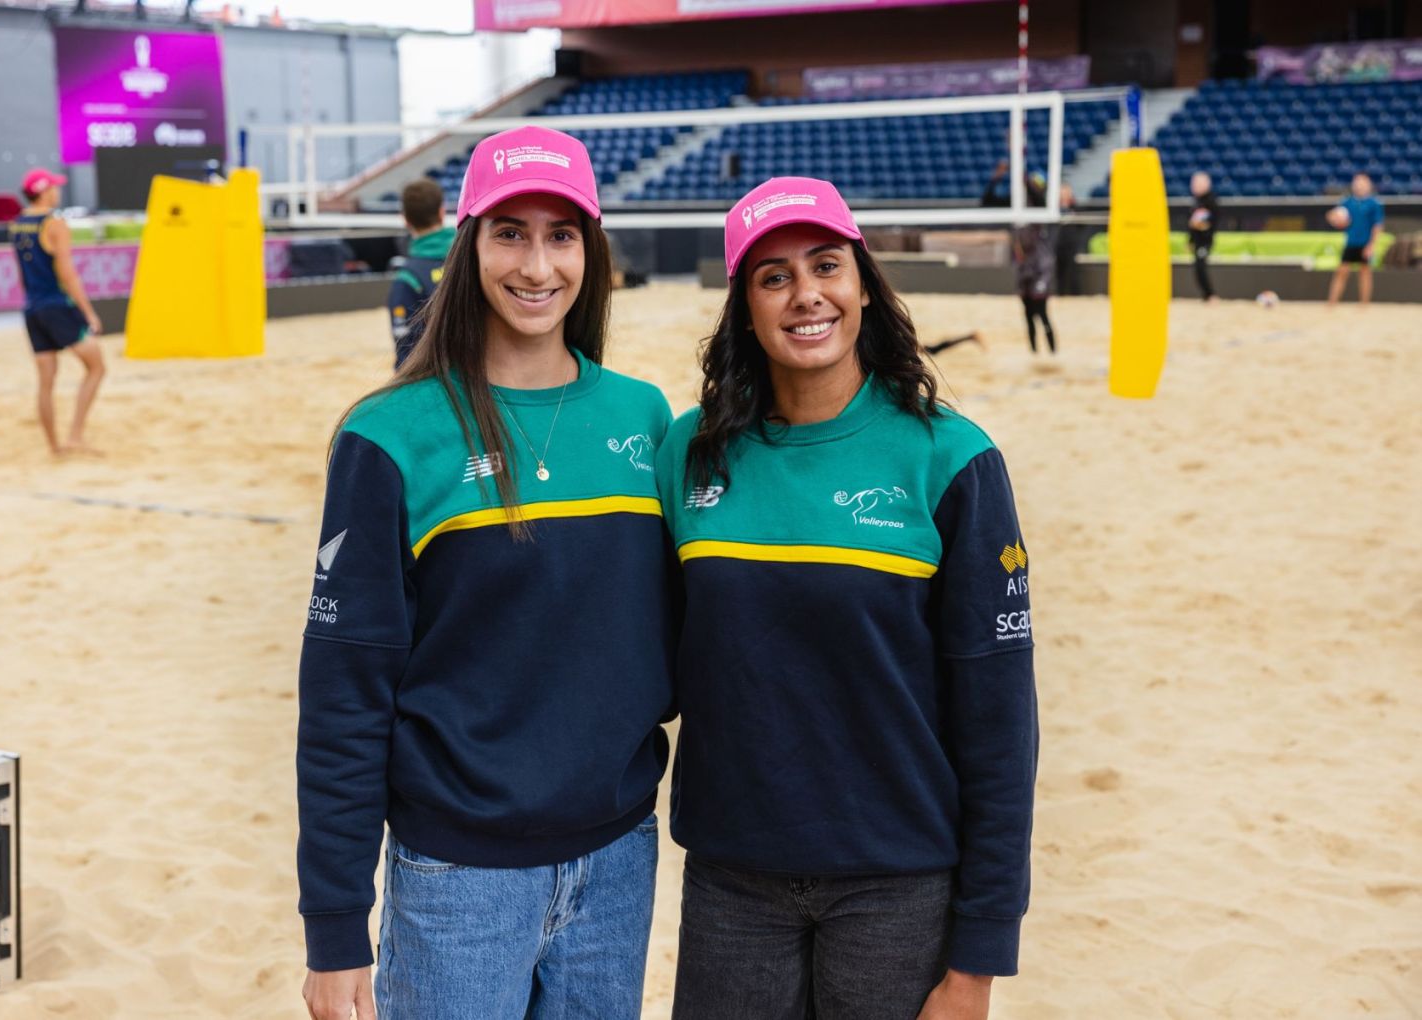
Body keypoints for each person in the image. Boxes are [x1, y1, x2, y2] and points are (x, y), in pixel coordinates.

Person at [298, 125, 675, 1020]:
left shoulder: (647, 417)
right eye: (509, 232)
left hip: (620, 859)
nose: (537, 264)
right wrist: (336, 923)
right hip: (458, 878)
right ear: (468, 247)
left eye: (560, 234)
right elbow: (346, 693)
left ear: (591, 250)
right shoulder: (389, 436)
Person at [657, 176, 1038, 1020]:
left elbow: (1000, 720)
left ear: (864, 283)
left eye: (826, 266)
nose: (806, 295)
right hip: (731, 881)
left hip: (896, 885)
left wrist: (979, 956)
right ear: (744, 307)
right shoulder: (689, 452)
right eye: (773, 277)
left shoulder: (953, 459)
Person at [12, 168, 107, 455]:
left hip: (32, 308)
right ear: (43, 191)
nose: (58, 191)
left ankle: (54, 445)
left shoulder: (18, 224)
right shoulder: (54, 223)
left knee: (45, 382)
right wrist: (88, 312)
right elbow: (68, 274)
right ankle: (75, 436)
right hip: (55, 305)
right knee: (97, 367)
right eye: (54, 187)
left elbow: (21, 274)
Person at [387, 177, 456, 370]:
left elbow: (406, 354)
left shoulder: (407, 279)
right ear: (442, 213)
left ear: (405, 220)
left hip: (435, 383)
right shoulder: (473, 257)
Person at [1327, 172, 1385, 307]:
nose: (1359, 186)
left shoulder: (1374, 204)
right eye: (1357, 183)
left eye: (1363, 183)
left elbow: (1378, 226)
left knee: (1365, 273)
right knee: (1341, 271)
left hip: (1365, 243)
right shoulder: (1347, 202)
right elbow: (1332, 215)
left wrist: (1371, 245)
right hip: (1351, 242)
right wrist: (1335, 219)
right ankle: (1332, 303)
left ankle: (1364, 304)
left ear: (1369, 185)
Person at [1014, 174, 1057, 355]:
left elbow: (1036, 194)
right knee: (1028, 316)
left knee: (1042, 314)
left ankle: (1053, 353)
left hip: (1039, 270)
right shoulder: (1019, 210)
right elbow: (988, 200)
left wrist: (1022, 174)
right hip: (1025, 272)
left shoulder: (1039, 212)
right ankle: (1034, 353)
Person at [1187, 172, 1219, 302]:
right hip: (1197, 240)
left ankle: (1211, 295)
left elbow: (1206, 223)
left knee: (1200, 267)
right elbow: (1192, 225)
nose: (1195, 186)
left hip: (1205, 240)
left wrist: (1199, 225)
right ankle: (1207, 295)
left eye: (1198, 183)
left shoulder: (1210, 201)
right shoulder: (1196, 202)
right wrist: (1190, 240)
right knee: (1198, 268)